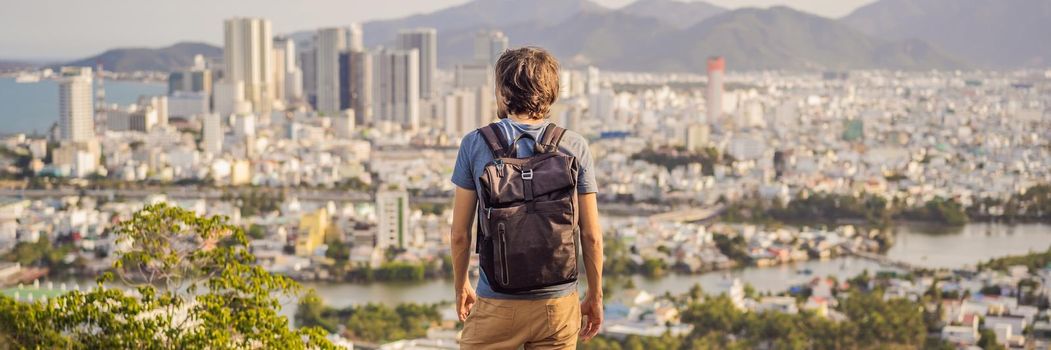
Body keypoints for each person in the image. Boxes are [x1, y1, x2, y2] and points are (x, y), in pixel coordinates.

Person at [449, 47, 604, 349]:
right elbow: (592, 236)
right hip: (558, 305)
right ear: (552, 92)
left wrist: (461, 286)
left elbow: (459, 235)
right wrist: (595, 296)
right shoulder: (574, 145)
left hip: (496, 302)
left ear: (503, 92)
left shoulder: (475, 144)